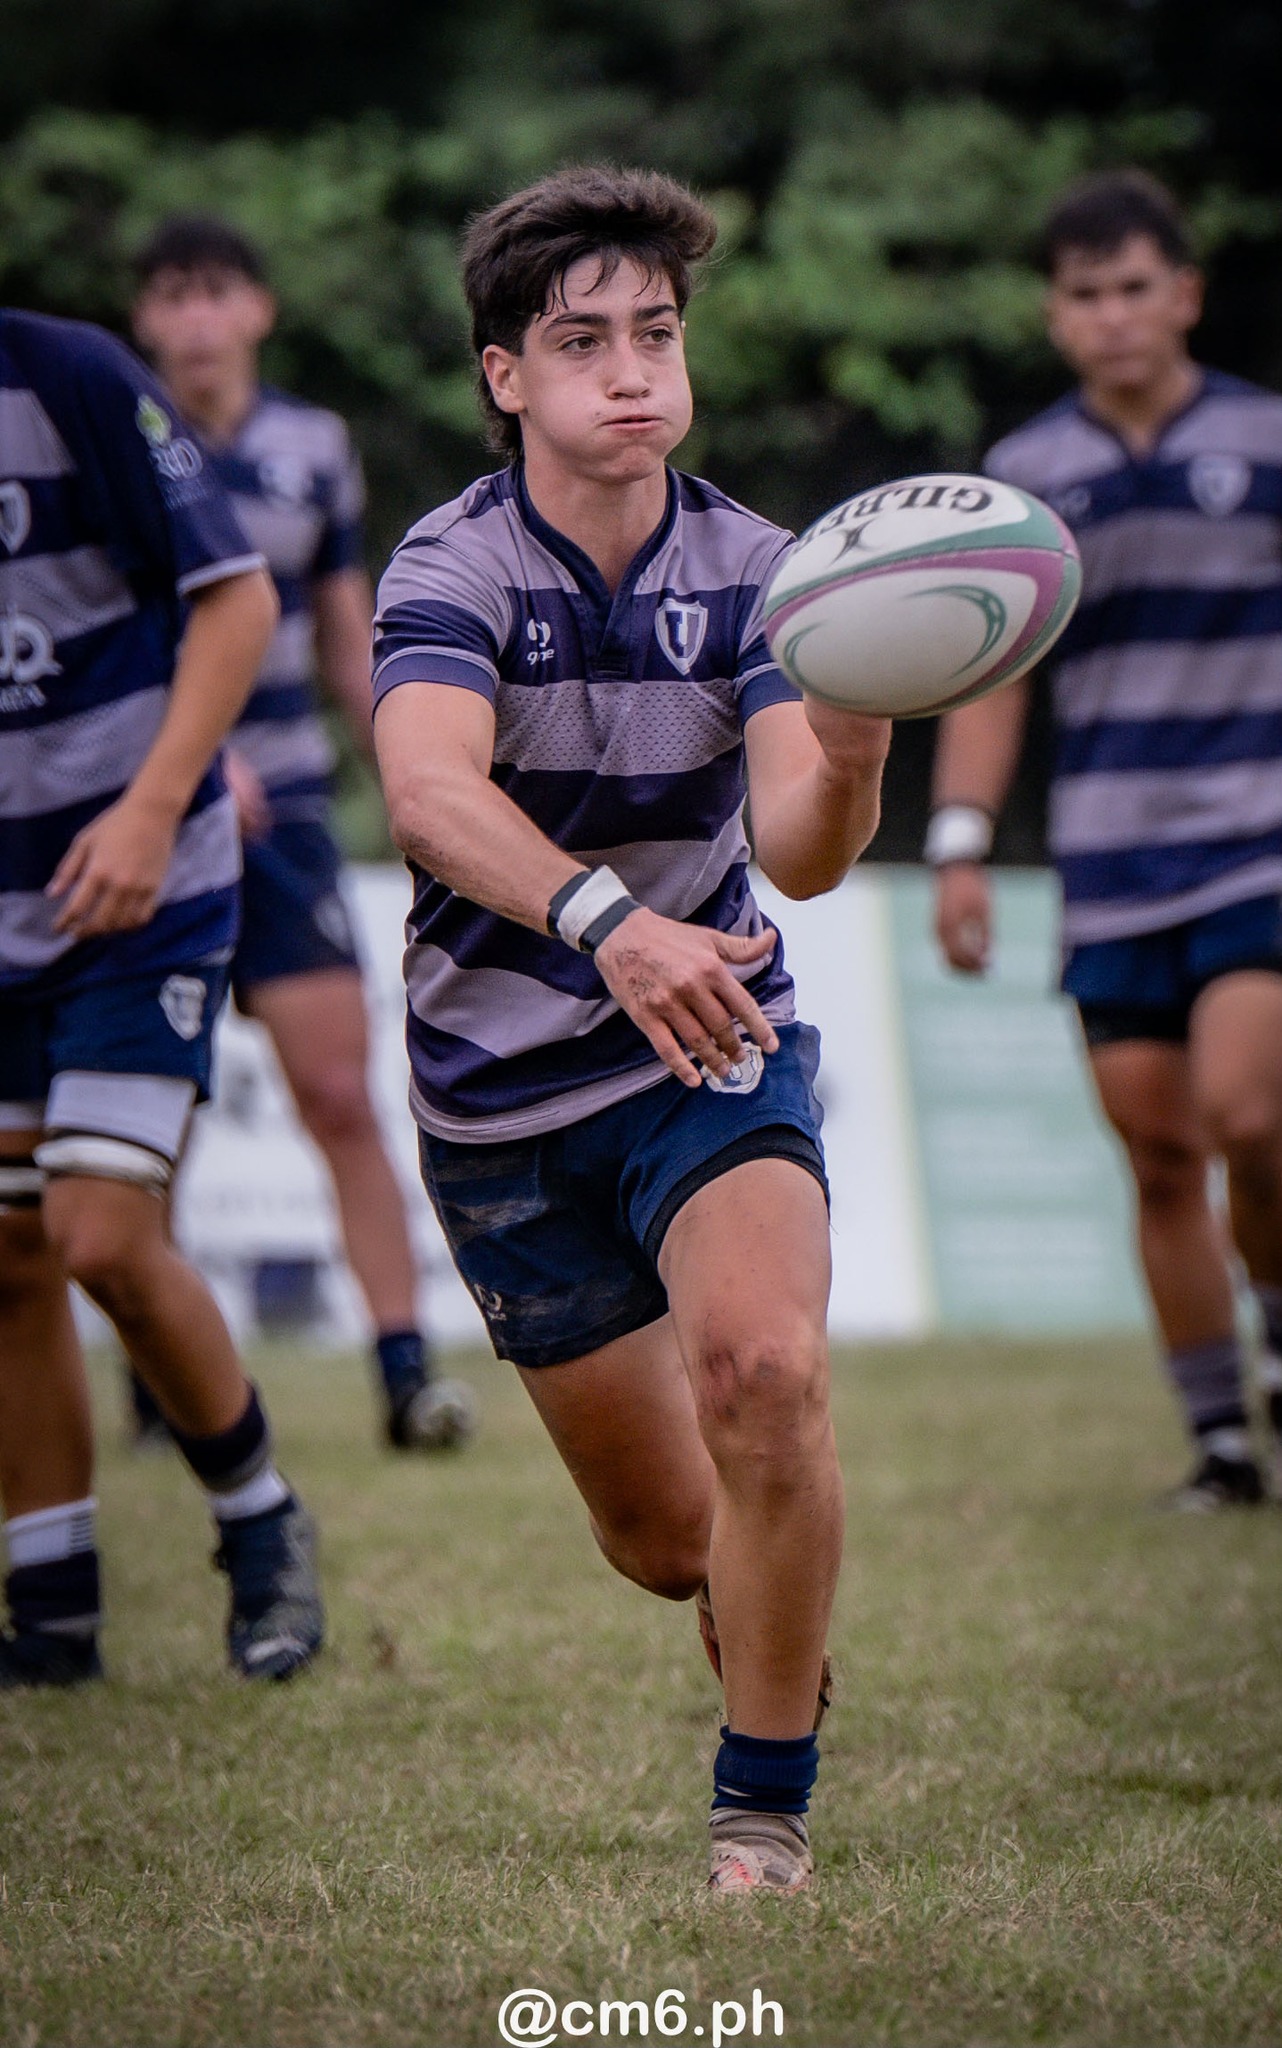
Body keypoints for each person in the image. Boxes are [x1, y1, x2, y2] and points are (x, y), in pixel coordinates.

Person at [371, 165, 892, 1891]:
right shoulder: (451, 564)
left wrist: (862, 740)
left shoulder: (758, 571)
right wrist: (610, 921)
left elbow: (799, 855)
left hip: (709, 1041)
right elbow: (430, 793)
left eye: (654, 333)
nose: (628, 370)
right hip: (497, 1089)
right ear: (502, 375)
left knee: (768, 1380)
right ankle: (759, 1630)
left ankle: (763, 1805)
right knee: (672, 1538)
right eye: (579, 339)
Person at [929, 169, 1282, 1509]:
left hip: (1256, 840)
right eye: (1084, 296)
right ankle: (1220, 1442)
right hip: (1109, 862)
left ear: (1183, 295)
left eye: (1136, 287)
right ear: (1053, 316)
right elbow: (990, 679)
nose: (1113, 316)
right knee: (1154, 1155)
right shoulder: (1024, 482)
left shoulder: (1261, 442)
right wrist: (958, 845)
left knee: (1248, 1116)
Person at [0, 306, 323, 1684]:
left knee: (101, 1235)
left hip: (142, 886)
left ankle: (263, 1529)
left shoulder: (64, 374)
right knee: (8, 1258)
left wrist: (147, 811)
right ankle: (54, 1612)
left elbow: (238, 596)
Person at [130, 216, 475, 1452]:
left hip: (287, 817)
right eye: (172, 296)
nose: (197, 318)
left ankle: (401, 1371)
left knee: (339, 1091)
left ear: (260, 310)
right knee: (148, 1108)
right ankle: (161, 1378)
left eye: (218, 291)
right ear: (144, 321)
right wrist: (182, 756)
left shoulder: (311, 448)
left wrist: (402, 751)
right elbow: (104, 636)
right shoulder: (119, 439)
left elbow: (342, 619)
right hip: (147, 817)